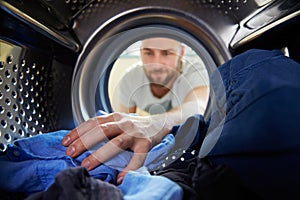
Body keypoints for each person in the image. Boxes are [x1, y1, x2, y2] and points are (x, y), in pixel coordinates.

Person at [114, 37, 209, 115]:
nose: (156, 65)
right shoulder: (130, 79)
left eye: (166, 53)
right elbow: (124, 123)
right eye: (148, 53)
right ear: (140, 53)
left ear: (181, 54)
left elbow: (198, 109)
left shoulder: (196, 73)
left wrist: (152, 124)